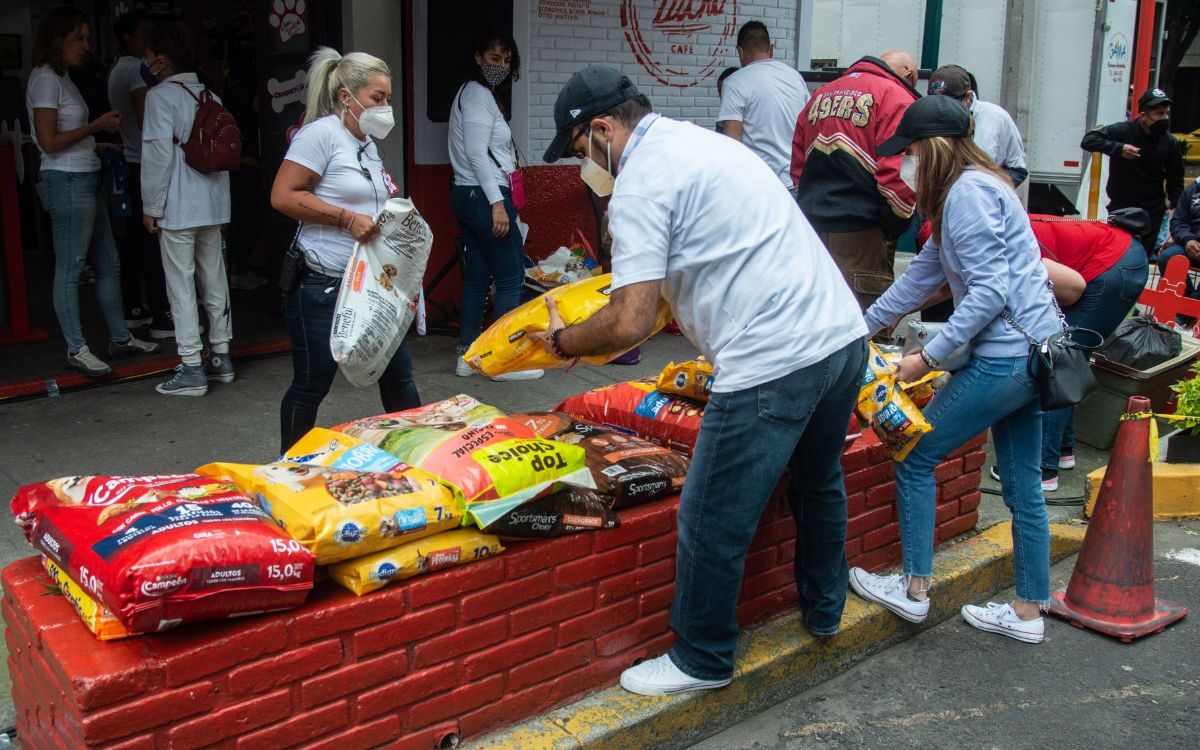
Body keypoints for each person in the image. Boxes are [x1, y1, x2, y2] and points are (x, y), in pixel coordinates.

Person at [538, 66, 867, 695]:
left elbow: (630, 321)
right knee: (819, 483)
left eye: (583, 150)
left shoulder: (640, 183)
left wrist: (565, 343)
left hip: (772, 361)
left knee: (712, 515)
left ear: (603, 128)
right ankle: (825, 612)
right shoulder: (706, 144)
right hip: (839, 337)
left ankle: (702, 658)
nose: (587, 166)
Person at [851, 95, 1060, 644]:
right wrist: (859, 328)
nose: (905, 165)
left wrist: (929, 355)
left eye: (911, 153)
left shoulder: (966, 195)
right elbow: (921, 276)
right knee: (1024, 490)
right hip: (1035, 357)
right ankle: (1027, 613)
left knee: (916, 455)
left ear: (933, 150)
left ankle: (914, 590)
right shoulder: (980, 188)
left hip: (1005, 362)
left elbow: (989, 290)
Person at [271, 47, 420, 454]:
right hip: (321, 283)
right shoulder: (320, 135)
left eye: (388, 98)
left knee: (399, 379)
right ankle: (288, 471)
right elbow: (283, 195)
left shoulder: (367, 144)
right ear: (345, 97)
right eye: (377, 98)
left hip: (371, 288)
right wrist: (345, 219)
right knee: (310, 386)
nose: (385, 107)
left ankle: (423, 459)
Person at [27, 5, 160, 377]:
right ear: (58, 38)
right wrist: (97, 127)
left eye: (86, 37)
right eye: (79, 38)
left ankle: (120, 338)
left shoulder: (63, 76)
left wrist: (98, 146)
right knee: (70, 270)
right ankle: (76, 348)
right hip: (66, 181)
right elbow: (49, 142)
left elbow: (58, 140)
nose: (86, 45)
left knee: (109, 263)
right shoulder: (45, 80)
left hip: (84, 175)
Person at [1019, 216, 1148, 492]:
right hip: (1122, 258)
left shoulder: (1007, 240)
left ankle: (1042, 469)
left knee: (1058, 358)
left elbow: (1071, 291)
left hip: (1114, 265)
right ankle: (1063, 450)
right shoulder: (1002, 223)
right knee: (1069, 354)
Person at [139, 23, 234, 397]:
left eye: (147, 59)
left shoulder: (160, 97)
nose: (145, 66)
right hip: (212, 204)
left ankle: (192, 365)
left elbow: (158, 157)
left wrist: (151, 206)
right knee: (215, 278)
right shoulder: (211, 94)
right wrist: (225, 209)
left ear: (161, 61)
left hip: (178, 205)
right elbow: (225, 156)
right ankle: (221, 356)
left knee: (180, 283)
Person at [791, 51, 920, 311]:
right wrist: (895, 224)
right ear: (907, 73)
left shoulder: (820, 94)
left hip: (813, 230)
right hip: (864, 233)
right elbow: (901, 170)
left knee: (817, 318)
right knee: (864, 327)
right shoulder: (896, 97)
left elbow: (798, 165)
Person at [448, 31, 542, 382]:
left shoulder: (474, 94)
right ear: (478, 58)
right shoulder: (476, 97)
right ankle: (501, 361)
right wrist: (497, 205)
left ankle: (467, 357)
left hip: (467, 196)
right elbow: (475, 153)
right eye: (493, 59)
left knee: (476, 279)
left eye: (505, 61)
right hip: (484, 196)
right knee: (510, 277)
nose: (499, 66)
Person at [108, 9, 172, 337]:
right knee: (151, 241)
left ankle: (135, 308)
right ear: (128, 38)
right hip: (143, 162)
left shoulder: (118, 68)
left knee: (133, 240)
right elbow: (150, 122)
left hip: (130, 160)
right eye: (144, 31)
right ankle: (163, 312)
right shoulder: (135, 69)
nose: (149, 38)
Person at [1081, 88, 1184, 254]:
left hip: (1152, 210)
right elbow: (1089, 140)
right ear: (1143, 115)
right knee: (1117, 253)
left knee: (1142, 255)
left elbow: (1176, 176)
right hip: (1121, 206)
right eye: (1159, 114)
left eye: (1166, 114)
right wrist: (1119, 148)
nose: (1164, 118)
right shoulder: (1123, 131)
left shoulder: (1169, 142)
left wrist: (1172, 202)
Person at [716, 22, 809, 190]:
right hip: (797, 185)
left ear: (740, 51)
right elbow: (810, 128)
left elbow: (732, 144)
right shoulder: (795, 78)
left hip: (761, 187)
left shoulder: (734, 82)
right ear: (771, 49)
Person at [927, 64, 1028, 186]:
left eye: (949, 103)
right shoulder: (928, 117)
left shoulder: (997, 117)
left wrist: (987, 189)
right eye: (936, 103)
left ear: (968, 96)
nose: (942, 109)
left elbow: (1017, 170)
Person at [1160, 178, 1200, 301]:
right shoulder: (1193, 189)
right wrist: (1188, 240)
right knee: (1167, 258)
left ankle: (1192, 307)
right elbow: (1178, 221)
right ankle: (1188, 311)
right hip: (1192, 244)